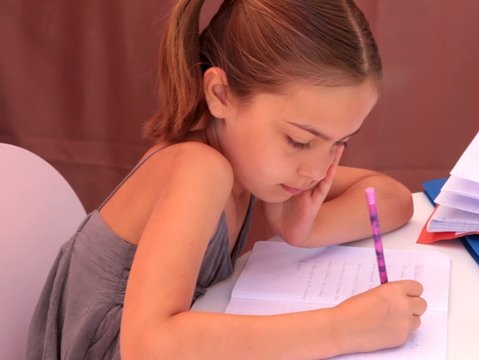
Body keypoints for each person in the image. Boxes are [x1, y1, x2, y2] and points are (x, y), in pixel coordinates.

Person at [28, 0, 426, 358]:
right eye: (300, 140)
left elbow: (394, 201)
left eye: (340, 143)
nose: (317, 170)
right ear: (221, 94)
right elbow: (148, 346)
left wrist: (305, 229)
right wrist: (344, 328)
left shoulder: (257, 166)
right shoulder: (199, 169)